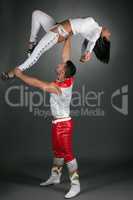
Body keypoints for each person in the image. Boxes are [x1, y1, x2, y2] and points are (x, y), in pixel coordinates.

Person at [11, 36, 80, 199]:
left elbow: (37, 83)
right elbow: (66, 57)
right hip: (57, 123)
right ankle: (55, 176)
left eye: (61, 65)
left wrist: (19, 74)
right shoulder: (69, 77)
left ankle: (76, 185)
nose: (60, 63)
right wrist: (68, 38)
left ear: (62, 72)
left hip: (64, 125)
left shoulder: (57, 87)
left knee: (67, 154)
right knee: (57, 152)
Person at [1, 10, 111, 81]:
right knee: (36, 14)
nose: (109, 33)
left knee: (34, 56)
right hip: (56, 26)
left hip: (58, 34)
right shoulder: (95, 25)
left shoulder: (96, 34)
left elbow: (92, 42)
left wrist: (88, 52)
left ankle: (13, 73)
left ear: (103, 38)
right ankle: (32, 44)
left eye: (108, 36)